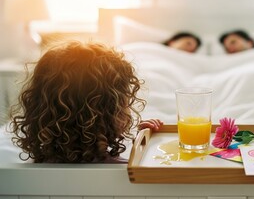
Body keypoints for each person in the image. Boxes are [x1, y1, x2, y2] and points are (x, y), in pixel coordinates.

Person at [9, 41, 163, 163]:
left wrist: (141, 141)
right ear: (108, 112)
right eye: (125, 101)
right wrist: (145, 149)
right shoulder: (125, 172)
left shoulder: (34, 170)